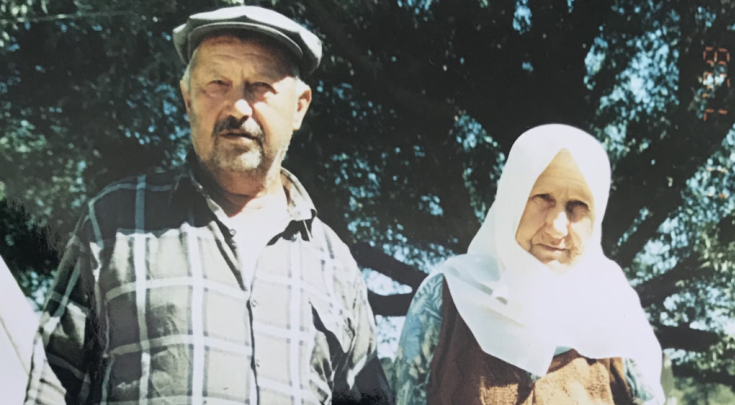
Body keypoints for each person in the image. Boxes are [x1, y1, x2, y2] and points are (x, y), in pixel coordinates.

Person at [24, 6, 391, 405]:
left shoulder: (335, 264)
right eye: (217, 83)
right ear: (187, 99)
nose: (237, 108)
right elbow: (51, 386)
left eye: (260, 86)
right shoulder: (114, 223)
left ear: (299, 106)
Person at [391, 124, 665, 404]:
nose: (557, 227)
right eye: (543, 198)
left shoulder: (617, 316)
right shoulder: (444, 300)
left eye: (578, 205)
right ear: (511, 200)